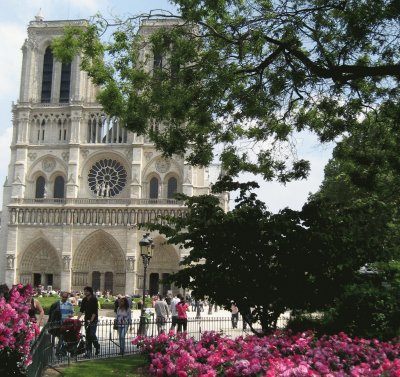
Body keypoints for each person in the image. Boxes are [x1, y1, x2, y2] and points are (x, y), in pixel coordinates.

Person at [77, 286, 100, 357]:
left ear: (90, 291)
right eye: (85, 291)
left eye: (87, 291)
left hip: (93, 319)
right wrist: (77, 319)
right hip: (86, 319)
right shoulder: (84, 299)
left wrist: (91, 320)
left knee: (92, 334)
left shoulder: (94, 299)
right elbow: (81, 310)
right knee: (87, 336)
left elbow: (95, 311)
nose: (85, 292)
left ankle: (97, 346)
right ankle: (88, 352)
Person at [49, 292, 74, 357]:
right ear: (61, 297)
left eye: (66, 297)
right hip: (57, 323)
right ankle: (56, 351)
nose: (64, 298)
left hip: (65, 324)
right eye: (63, 297)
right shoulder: (56, 304)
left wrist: (70, 316)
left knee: (62, 338)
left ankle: (58, 351)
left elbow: (72, 313)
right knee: (55, 337)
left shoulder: (70, 305)